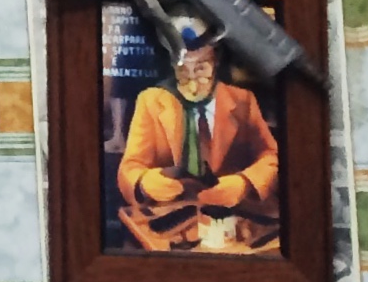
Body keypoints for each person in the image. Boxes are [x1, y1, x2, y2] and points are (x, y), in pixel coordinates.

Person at [115, 22, 280, 251]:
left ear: (216, 61)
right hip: (174, 224)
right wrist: (144, 183)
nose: (192, 83)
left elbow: (271, 156)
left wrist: (245, 182)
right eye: (183, 70)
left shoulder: (243, 101)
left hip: (234, 222)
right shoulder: (151, 101)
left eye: (201, 68)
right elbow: (130, 167)